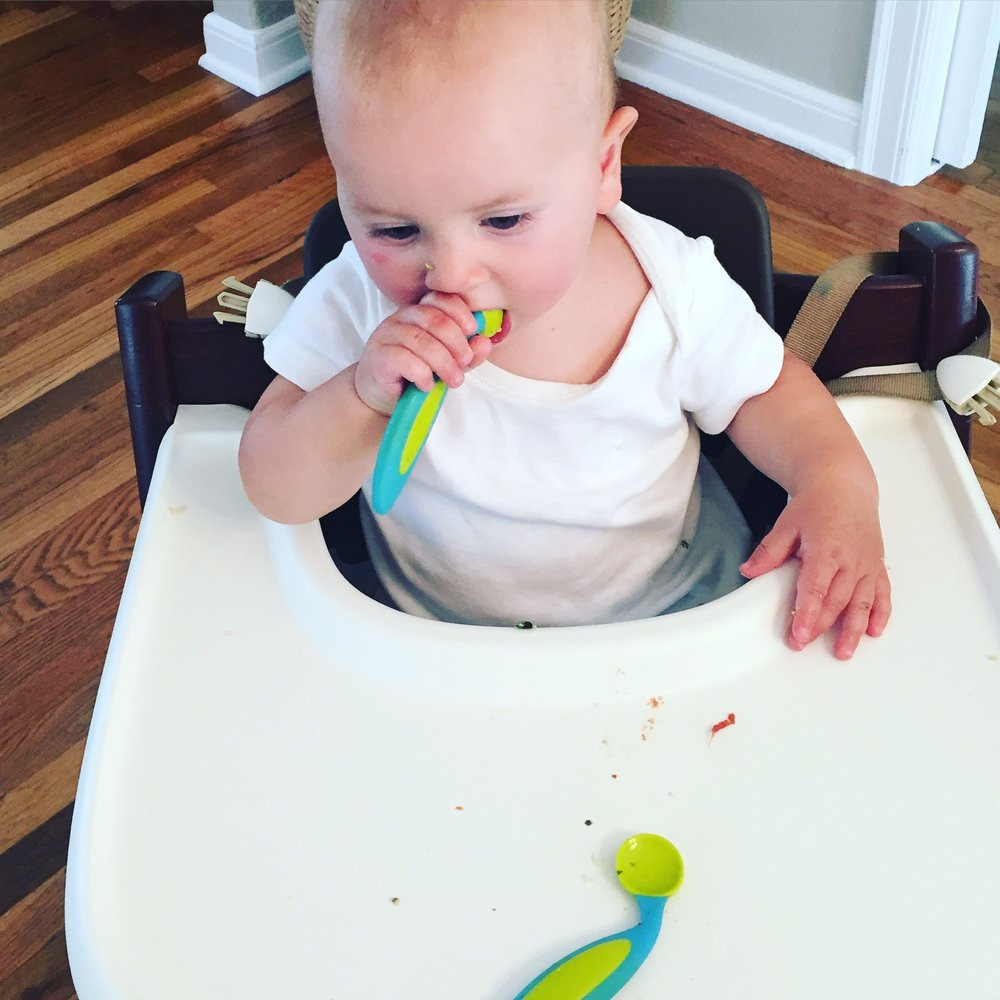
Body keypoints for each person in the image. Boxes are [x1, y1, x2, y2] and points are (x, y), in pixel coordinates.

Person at [239, 0, 890, 659]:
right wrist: (360, 397)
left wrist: (836, 484)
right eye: (396, 230)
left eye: (504, 221)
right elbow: (276, 486)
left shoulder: (671, 285)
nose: (453, 274)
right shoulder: (357, 300)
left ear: (603, 165)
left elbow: (767, 390)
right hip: (441, 650)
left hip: (678, 624)